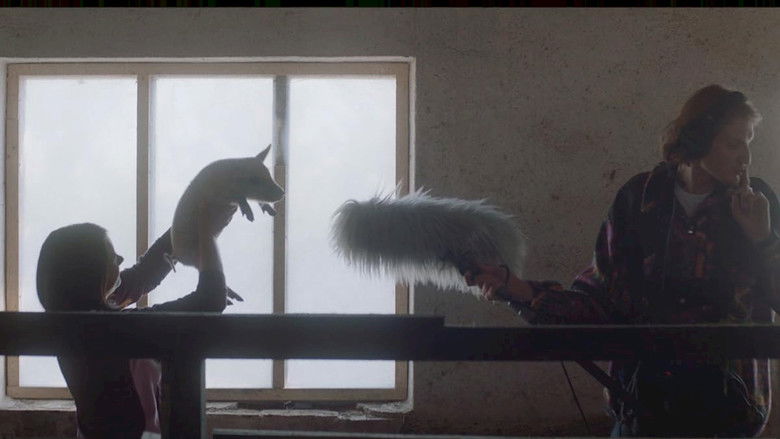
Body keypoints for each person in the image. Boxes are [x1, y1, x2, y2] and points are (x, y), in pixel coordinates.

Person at [465, 85, 780, 437]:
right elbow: (600, 299)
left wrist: (763, 239)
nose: (746, 158)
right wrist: (519, 289)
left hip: (729, 412)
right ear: (698, 139)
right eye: (734, 144)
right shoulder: (639, 199)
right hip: (642, 406)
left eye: (748, 143)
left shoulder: (758, 204)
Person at [36, 201, 239, 439]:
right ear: (93, 274)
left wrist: (190, 219)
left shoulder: (70, 321)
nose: (120, 259)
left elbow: (143, 276)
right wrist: (205, 230)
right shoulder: (118, 329)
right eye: (112, 258)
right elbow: (211, 299)